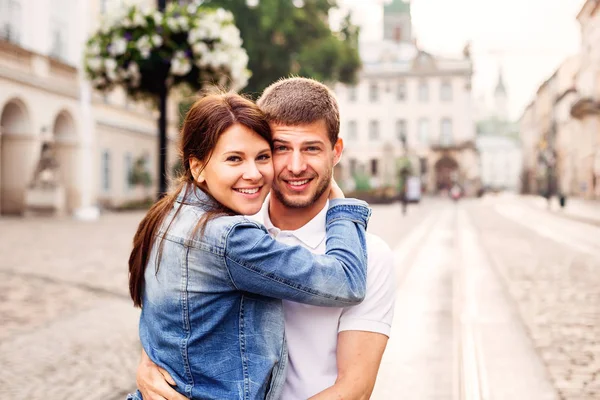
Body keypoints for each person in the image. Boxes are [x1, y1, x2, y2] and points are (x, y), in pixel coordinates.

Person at [137, 78, 396, 399]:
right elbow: (179, 314)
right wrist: (149, 364)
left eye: (312, 148)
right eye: (279, 149)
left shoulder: (369, 255)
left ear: (336, 151)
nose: (296, 166)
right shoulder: (233, 230)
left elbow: (353, 390)